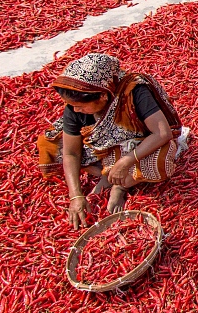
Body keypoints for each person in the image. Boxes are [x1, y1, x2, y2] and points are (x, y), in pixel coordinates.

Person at [36, 53, 187, 229]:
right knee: (51, 148)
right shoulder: (73, 109)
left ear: (102, 96)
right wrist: (76, 195)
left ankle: (121, 185)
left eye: (81, 105)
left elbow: (162, 133)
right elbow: (71, 152)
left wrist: (126, 161)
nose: (75, 109)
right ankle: (109, 173)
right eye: (72, 105)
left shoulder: (134, 92)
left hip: (139, 143)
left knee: (160, 161)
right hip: (103, 148)